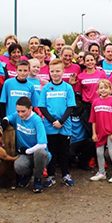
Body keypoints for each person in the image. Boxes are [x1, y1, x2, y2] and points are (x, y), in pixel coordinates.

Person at [37, 58, 77, 187]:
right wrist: (53, 121)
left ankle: (66, 174)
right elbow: (42, 106)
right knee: (52, 152)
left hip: (64, 125)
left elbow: (70, 107)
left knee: (64, 152)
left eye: (58, 71)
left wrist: (61, 121)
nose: (55, 73)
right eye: (52, 71)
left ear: (63, 71)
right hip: (50, 126)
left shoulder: (68, 87)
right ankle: (51, 175)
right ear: (49, 72)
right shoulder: (46, 88)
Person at [1, 97, 50, 193]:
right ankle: (28, 174)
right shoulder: (17, 116)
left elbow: (43, 144)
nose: (20, 114)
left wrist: (27, 150)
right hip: (25, 154)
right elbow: (8, 118)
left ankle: (38, 179)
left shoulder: (37, 120)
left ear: (30, 108)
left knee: (40, 153)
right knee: (19, 166)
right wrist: (4, 122)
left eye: (23, 111)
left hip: (37, 153)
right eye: (18, 111)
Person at [89, 80, 112, 183]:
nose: (103, 90)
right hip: (99, 132)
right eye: (101, 88)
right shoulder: (95, 102)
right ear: (98, 90)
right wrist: (94, 133)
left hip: (110, 131)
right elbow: (93, 120)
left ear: (110, 89)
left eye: (106, 87)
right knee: (99, 153)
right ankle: (101, 172)